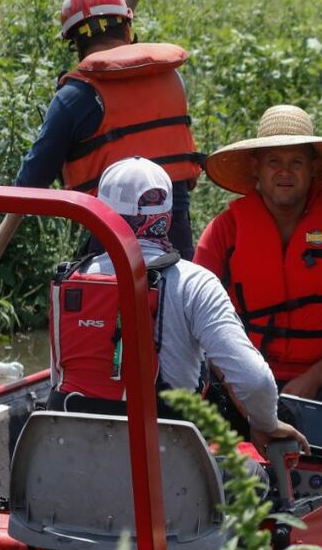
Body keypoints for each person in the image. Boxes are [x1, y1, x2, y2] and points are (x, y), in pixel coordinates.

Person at [46, 156, 308, 457]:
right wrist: (266, 422)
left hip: (74, 458)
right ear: (167, 214)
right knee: (257, 480)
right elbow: (255, 380)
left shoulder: (67, 280)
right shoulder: (195, 282)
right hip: (165, 467)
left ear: (103, 211)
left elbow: (60, 376)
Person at [194, 105, 322, 470]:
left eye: (296, 162)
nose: (284, 172)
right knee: (188, 425)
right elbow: (195, 318)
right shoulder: (226, 228)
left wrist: (313, 378)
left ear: (313, 168)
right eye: (273, 161)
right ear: (256, 168)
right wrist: (246, 397)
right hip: (243, 373)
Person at [15, 0, 204, 258]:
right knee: (175, 300)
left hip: (111, 242)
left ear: (76, 43)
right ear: (128, 29)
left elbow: (31, 181)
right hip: (175, 239)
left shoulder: (75, 95)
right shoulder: (173, 78)